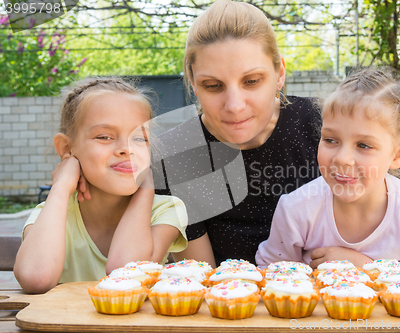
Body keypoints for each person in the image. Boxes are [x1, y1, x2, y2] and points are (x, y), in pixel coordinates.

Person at [155, 0, 321, 267]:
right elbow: (201, 279)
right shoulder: (176, 153)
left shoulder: (323, 127)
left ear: (279, 74)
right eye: (213, 86)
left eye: (251, 81)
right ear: (193, 84)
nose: (234, 106)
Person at [255, 68, 400, 276]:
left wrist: (364, 267)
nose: (342, 158)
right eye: (330, 140)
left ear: (398, 154)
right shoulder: (295, 210)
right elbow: (268, 272)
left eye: (363, 145)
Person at [14, 78, 188, 294]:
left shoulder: (166, 210)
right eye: (105, 137)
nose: (126, 149)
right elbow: (35, 278)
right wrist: (61, 187)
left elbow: (124, 273)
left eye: (139, 138)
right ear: (67, 147)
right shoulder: (52, 214)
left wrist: (146, 188)